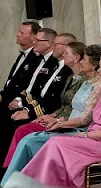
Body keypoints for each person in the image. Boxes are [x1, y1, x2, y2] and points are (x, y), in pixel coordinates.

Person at [20, 49, 101, 188]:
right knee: (54, 143)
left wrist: (85, 135)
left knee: (56, 144)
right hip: (96, 138)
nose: (98, 69)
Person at [2, 45, 101, 185]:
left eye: (85, 59)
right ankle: (12, 182)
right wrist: (57, 120)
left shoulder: (100, 86)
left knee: (30, 141)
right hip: (68, 124)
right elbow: (69, 107)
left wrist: (59, 122)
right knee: (28, 139)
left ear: (94, 65)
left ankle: (24, 184)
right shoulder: (86, 82)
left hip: (80, 130)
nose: (82, 61)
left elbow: (85, 119)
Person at [0, 30, 75, 160]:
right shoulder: (57, 66)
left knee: (18, 128)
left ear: (66, 46)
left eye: (56, 44)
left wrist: (30, 112)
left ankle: (14, 170)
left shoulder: (68, 71)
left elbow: (55, 100)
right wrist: (26, 108)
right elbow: (39, 92)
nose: (53, 47)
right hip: (45, 111)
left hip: (54, 114)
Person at [1, 21, 40, 108]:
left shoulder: (36, 57)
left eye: (22, 33)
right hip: (7, 100)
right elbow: (12, 81)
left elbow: (30, 85)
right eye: (19, 31)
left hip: (18, 104)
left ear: (33, 38)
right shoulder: (23, 54)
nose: (18, 35)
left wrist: (18, 100)